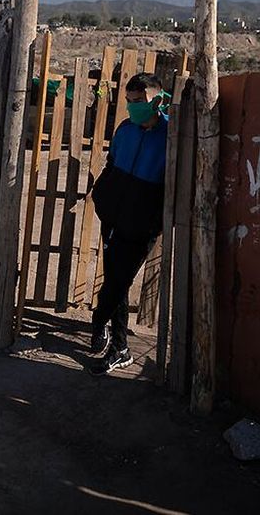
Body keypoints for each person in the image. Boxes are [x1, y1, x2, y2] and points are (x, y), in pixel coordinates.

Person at [88, 73, 171, 375]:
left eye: (140, 101)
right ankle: (119, 345)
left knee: (120, 280)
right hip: (113, 218)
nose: (133, 107)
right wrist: (103, 197)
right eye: (130, 101)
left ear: (158, 100)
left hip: (141, 225)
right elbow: (112, 165)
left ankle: (100, 323)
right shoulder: (125, 129)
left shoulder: (171, 136)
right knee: (115, 280)